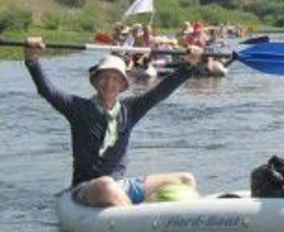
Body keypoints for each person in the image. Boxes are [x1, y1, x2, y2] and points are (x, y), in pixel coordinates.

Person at [24, 36, 205, 207]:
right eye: (104, 77)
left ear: (122, 84)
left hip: (121, 185)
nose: (109, 83)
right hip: (88, 187)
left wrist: (189, 65)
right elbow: (47, 90)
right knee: (106, 185)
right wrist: (32, 60)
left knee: (186, 179)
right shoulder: (77, 108)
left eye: (115, 78)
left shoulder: (131, 109)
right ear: (95, 81)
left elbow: (160, 92)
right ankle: (135, 218)